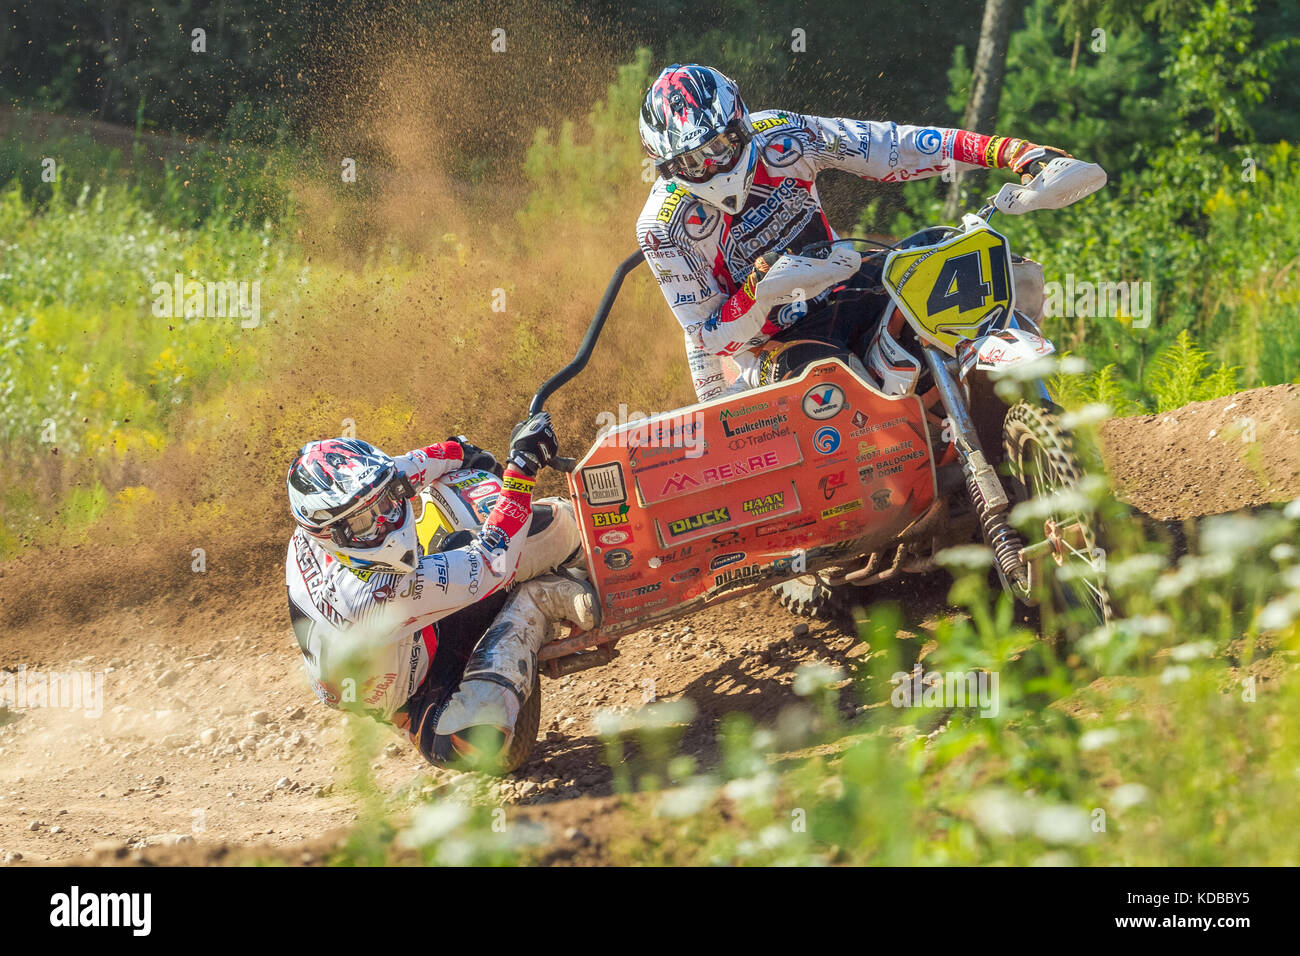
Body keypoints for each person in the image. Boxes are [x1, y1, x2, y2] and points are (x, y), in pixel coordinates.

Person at [635, 63, 1106, 401]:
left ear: (741, 124)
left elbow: (891, 147)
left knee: (969, 263)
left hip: (852, 279)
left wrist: (1017, 155)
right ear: (667, 168)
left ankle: (996, 403)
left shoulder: (782, 135)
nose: (712, 166)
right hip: (777, 343)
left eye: (719, 146)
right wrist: (759, 291)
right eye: (691, 162)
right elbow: (707, 338)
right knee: (833, 385)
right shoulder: (662, 226)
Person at [283, 413, 595, 770]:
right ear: (331, 535)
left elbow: (400, 472)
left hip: (404, 647)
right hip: (416, 698)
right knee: (480, 740)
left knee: (468, 483)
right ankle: (540, 598)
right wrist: (521, 471)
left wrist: (458, 452)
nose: (384, 520)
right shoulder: (369, 597)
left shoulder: (321, 524)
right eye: (364, 522)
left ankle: (597, 543)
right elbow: (490, 561)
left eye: (383, 503)